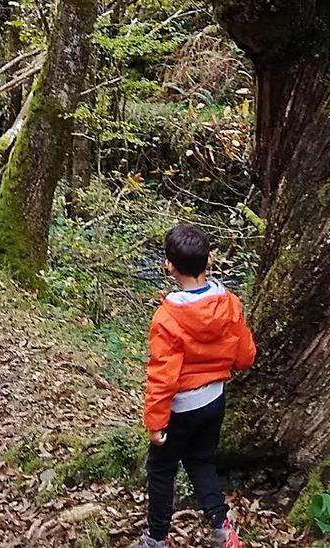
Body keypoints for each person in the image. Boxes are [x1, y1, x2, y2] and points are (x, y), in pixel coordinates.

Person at [132, 224, 256, 548]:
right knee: (201, 461)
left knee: (161, 470)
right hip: (214, 400)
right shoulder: (230, 304)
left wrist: (156, 423)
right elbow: (245, 357)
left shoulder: (167, 317)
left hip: (179, 408)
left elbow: (162, 375)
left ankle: (156, 539)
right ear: (210, 260)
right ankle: (222, 528)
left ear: (168, 266)